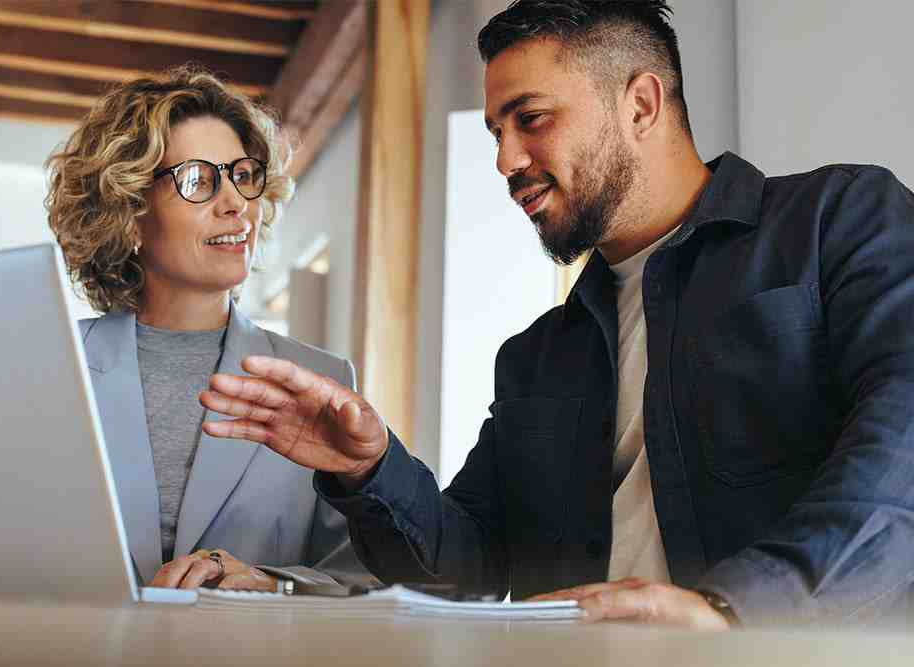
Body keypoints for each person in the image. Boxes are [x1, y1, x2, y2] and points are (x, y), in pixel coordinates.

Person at [199, 0, 914, 628]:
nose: (506, 158)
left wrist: (734, 609)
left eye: (531, 119)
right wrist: (369, 467)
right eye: (495, 131)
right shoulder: (537, 356)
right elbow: (468, 568)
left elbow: (902, 443)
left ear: (641, 104)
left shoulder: (837, 222)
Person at [47, 67, 370, 591]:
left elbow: (364, 574)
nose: (235, 204)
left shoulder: (320, 378)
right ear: (129, 213)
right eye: (198, 180)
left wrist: (271, 583)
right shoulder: (50, 369)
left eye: (242, 175)